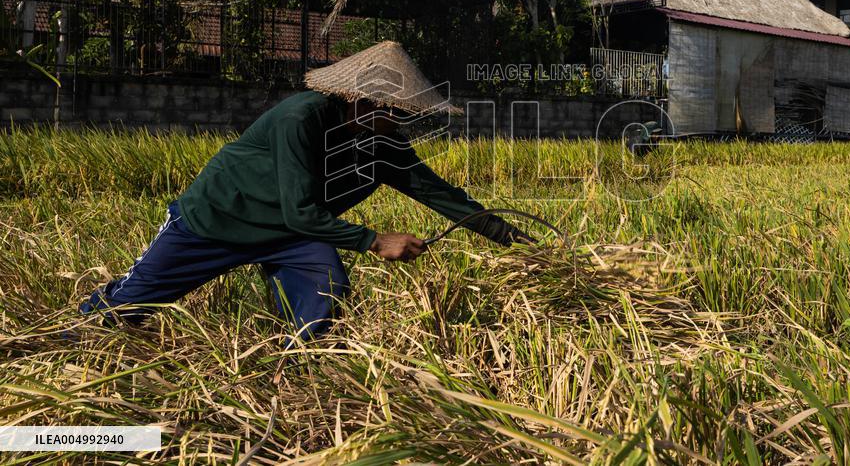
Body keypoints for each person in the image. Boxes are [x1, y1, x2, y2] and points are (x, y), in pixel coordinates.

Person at [80, 41, 532, 339]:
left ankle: (300, 373)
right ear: (362, 101)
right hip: (217, 219)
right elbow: (300, 211)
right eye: (393, 111)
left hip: (292, 234)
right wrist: (374, 241)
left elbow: (442, 196)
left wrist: (522, 244)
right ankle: (66, 343)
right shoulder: (303, 118)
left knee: (326, 289)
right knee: (126, 310)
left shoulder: (383, 143)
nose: (399, 121)